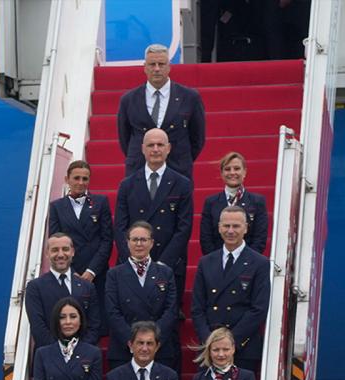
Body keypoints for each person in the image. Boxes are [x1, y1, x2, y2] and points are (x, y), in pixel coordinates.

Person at [192, 207, 272, 376]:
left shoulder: (259, 263)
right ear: (219, 227)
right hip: (211, 349)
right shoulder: (206, 262)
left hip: (243, 346)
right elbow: (197, 307)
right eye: (226, 226)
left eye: (236, 226)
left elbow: (258, 308)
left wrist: (230, 343)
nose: (230, 231)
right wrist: (211, 342)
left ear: (246, 228)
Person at [115, 129, 195, 287]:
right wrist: (133, 261)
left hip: (168, 264)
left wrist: (163, 264)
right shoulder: (127, 185)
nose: (156, 149)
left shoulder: (183, 184)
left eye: (160, 144)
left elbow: (184, 228)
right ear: (143, 148)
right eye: (151, 145)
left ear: (169, 148)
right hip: (133, 263)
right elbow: (120, 227)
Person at [116, 44, 206, 179]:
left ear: (169, 66)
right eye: (152, 64)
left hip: (178, 171)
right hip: (139, 171)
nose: (157, 69)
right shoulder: (129, 100)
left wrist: (181, 159)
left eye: (161, 64)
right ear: (144, 67)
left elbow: (197, 138)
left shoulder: (189, 97)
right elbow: (125, 139)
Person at [104, 222, 182, 370]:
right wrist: (134, 342)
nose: (139, 244)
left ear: (152, 243)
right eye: (134, 240)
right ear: (127, 243)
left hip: (159, 349)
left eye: (143, 240)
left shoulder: (165, 273)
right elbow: (112, 312)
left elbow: (171, 310)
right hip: (125, 349)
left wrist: (152, 341)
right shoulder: (114, 274)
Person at [45, 160, 114, 288]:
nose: (81, 183)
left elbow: (107, 240)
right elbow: (54, 241)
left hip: (97, 273)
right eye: (76, 178)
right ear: (67, 179)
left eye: (85, 179)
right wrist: (70, 272)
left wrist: (91, 271)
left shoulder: (101, 202)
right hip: (68, 273)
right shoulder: (56, 206)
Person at [25, 234, 100, 347]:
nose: (60, 254)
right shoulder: (35, 287)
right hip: (49, 356)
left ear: (73, 252)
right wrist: (61, 353)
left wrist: (78, 350)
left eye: (65, 249)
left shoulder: (88, 287)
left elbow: (94, 325)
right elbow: (38, 327)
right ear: (47, 253)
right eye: (55, 250)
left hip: (83, 357)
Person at [199, 152, 269, 257]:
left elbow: (259, 239)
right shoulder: (211, 202)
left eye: (236, 168)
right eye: (227, 169)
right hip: (217, 264)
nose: (232, 172)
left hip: (248, 265)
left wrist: (245, 262)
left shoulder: (257, 202)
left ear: (244, 172)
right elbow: (206, 239)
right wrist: (217, 261)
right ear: (222, 173)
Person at [194, 327, 258, 380]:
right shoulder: (198, 378)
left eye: (226, 349)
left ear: (233, 349)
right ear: (209, 351)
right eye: (216, 350)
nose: (221, 354)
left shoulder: (246, 377)